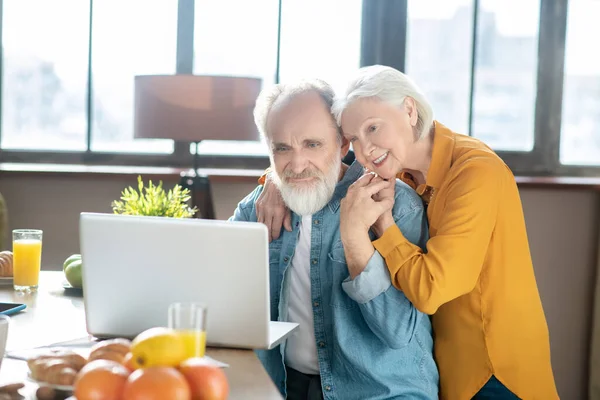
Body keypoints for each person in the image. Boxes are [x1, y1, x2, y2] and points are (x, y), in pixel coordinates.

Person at [257, 66, 559, 400]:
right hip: (446, 365)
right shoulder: (397, 167)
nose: (366, 149)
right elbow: (314, 158)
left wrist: (383, 228)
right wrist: (274, 179)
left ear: (409, 110)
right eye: (355, 138)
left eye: (373, 128)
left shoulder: (477, 172)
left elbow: (430, 290)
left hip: (493, 367)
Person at [230, 79, 439, 400]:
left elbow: (397, 331)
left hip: (380, 392)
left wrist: (355, 240)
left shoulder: (395, 204)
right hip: (286, 387)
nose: (297, 165)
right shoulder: (259, 204)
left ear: (344, 144)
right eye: (282, 149)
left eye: (313, 144)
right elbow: (219, 302)